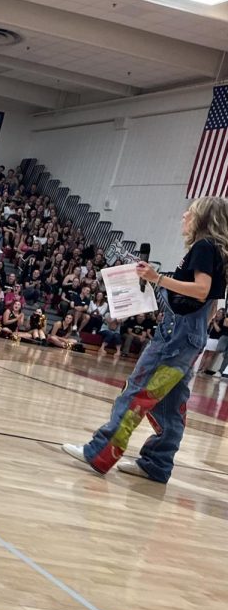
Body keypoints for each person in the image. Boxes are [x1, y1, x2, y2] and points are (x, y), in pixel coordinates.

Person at [64, 196, 228, 483]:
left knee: (137, 391)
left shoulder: (203, 247)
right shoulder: (218, 253)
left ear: (202, 218)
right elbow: (210, 302)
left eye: (189, 212)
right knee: (171, 404)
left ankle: (100, 451)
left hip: (176, 338)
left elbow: (202, 290)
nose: (183, 216)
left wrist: (157, 279)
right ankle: (157, 463)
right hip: (192, 337)